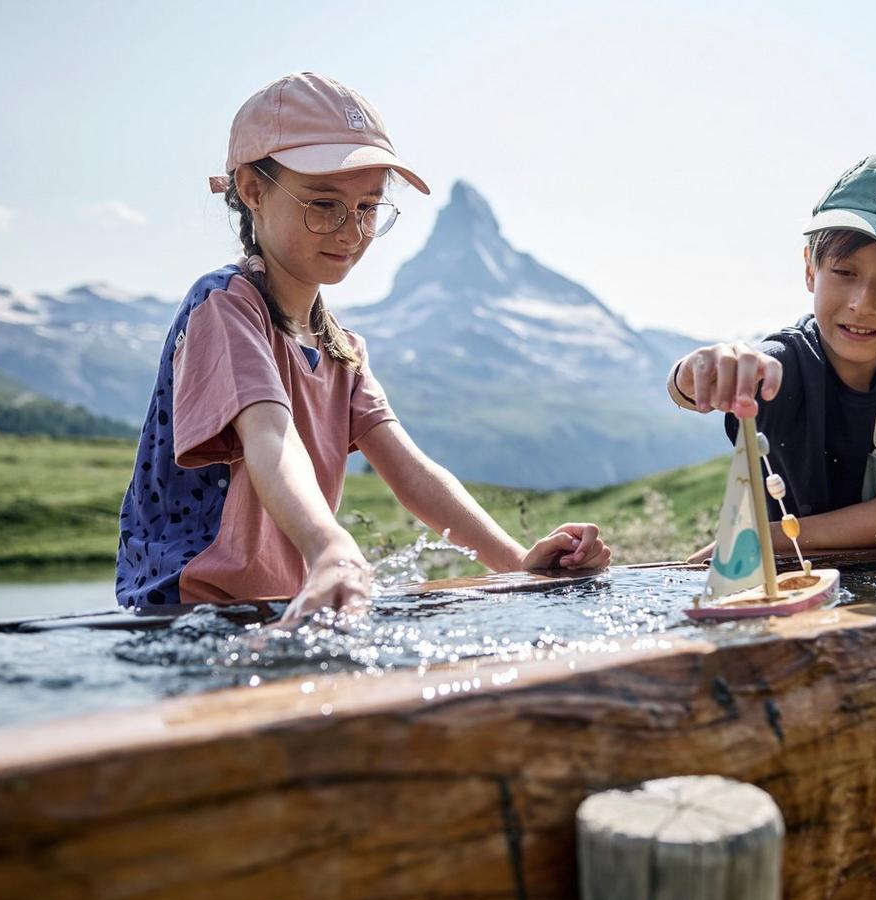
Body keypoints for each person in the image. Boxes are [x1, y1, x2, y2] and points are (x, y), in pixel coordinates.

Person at [116, 72, 610, 622]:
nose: (351, 232)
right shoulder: (226, 307)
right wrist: (330, 546)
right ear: (253, 190)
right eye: (324, 205)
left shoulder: (341, 349)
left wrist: (516, 563)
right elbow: (270, 437)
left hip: (284, 610)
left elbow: (414, 474)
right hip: (188, 613)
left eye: (369, 208)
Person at [666, 156, 876, 555]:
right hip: (783, 584)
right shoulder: (781, 364)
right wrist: (689, 376)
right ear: (810, 268)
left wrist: (753, 540)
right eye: (844, 272)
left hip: (864, 577)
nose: (863, 304)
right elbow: (696, 383)